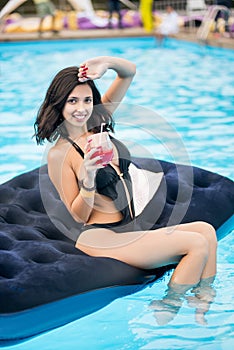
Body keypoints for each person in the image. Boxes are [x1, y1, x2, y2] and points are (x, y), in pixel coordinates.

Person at [34, 56, 217, 324]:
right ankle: (168, 307)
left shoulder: (98, 122)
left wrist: (104, 64)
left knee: (206, 231)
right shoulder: (60, 154)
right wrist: (88, 178)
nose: (81, 109)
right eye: (72, 101)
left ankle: (203, 300)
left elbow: (129, 72)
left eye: (87, 100)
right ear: (59, 103)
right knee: (196, 244)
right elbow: (77, 217)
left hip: (128, 225)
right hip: (99, 236)